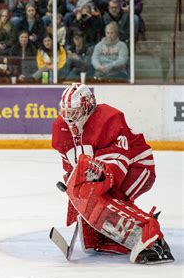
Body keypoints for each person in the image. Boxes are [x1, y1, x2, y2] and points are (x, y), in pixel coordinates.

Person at [51, 82, 174, 265]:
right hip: (108, 170)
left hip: (137, 166)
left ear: (87, 106)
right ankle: (106, 236)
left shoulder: (108, 119)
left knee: (112, 199)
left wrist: (95, 179)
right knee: (96, 199)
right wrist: (74, 184)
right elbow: (72, 166)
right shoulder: (61, 127)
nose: (69, 118)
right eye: (66, 112)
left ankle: (154, 241)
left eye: (74, 112)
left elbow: (119, 165)